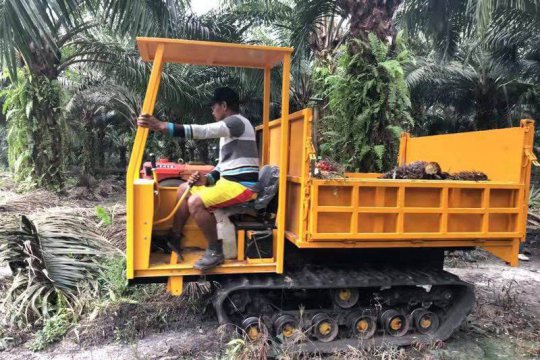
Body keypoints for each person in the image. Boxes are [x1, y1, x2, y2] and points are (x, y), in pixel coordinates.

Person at [137, 87, 259, 270]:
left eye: (213, 106)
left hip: (242, 186)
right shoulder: (231, 129)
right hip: (229, 183)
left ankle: (215, 251)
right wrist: (208, 179)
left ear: (224, 105)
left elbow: (204, 131)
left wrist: (164, 126)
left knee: (195, 202)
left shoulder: (236, 123)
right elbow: (223, 166)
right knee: (183, 189)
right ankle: (174, 238)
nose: (212, 110)